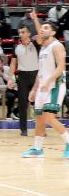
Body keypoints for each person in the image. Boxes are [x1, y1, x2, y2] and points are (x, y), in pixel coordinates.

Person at [21, 13, 69, 158]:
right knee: (40, 118)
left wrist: (49, 81)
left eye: (46, 28)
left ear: (53, 32)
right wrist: (34, 89)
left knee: (49, 117)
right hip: (42, 86)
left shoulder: (57, 46)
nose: (42, 30)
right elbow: (41, 72)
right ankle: (37, 149)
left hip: (55, 85)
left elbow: (61, 67)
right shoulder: (43, 48)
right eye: (42, 28)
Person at [11, 20, 39, 137]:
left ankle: (41, 128)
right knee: (23, 104)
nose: (21, 34)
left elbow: (41, 35)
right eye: (19, 32)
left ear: (28, 33)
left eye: (23, 32)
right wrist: (10, 77)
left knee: (39, 104)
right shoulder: (16, 47)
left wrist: (35, 19)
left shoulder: (36, 44)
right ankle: (23, 129)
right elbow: (13, 64)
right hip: (22, 76)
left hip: (36, 75)